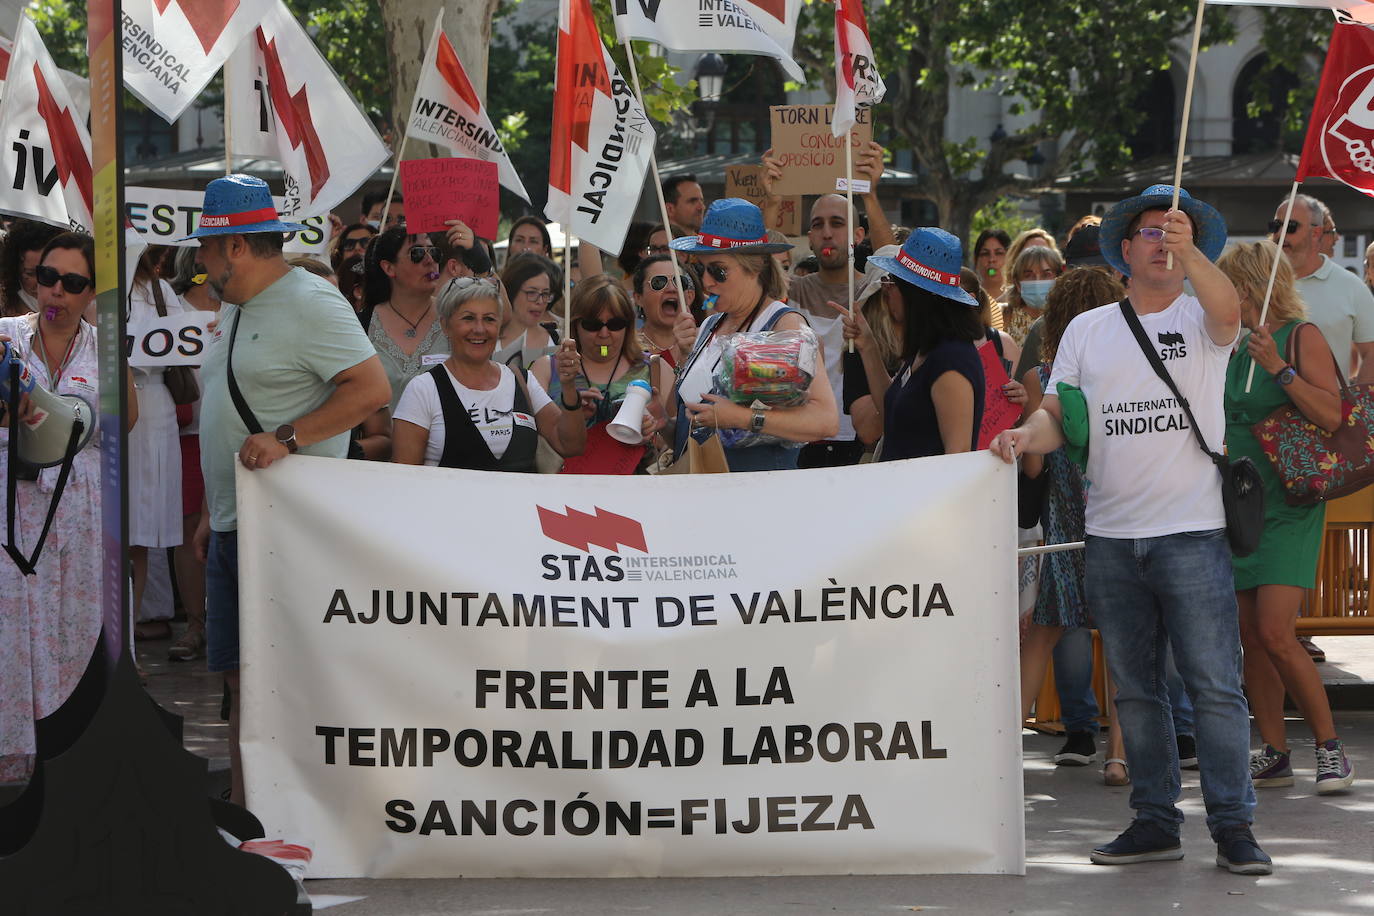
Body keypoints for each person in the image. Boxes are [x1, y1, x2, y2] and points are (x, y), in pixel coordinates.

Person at [990, 184, 1271, 875]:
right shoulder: (1088, 331)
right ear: (1124, 251)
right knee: (1136, 692)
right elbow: (1060, 413)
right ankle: (1155, 820)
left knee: (1212, 687)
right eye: (1148, 232)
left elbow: (1232, 309)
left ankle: (1235, 828)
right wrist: (1025, 435)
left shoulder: (1205, 317)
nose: (1160, 241)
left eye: (1172, 232)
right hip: (1111, 536)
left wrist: (1193, 249)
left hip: (1193, 533)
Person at [189, 175, 390, 807]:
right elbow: (224, 407)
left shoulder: (312, 302)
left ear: (237, 248)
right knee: (237, 678)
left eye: (205, 248)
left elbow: (371, 390)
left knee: (281, 678)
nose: (198, 260)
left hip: (285, 526)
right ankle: (251, 816)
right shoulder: (233, 305)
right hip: (231, 521)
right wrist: (206, 511)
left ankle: (300, 815)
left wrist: (288, 436)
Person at [1217, 240, 1355, 795]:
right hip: (1242, 500)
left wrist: (1280, 370)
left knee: (1276, 631)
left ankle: (1330, 749)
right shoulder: (1226, 347)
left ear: (1246, 288)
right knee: (1251, 634)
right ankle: (1273, 751)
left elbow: (1332, 414)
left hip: (1292, 500)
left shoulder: (1300, 336)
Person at [0, 232, 138, 782]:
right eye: (46, 277)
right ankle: (11, 761)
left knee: (76, 631)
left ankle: (71, 757)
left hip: (79, 516)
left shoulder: (104, 348)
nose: (55, 291)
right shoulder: (6, 336)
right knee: (11, 630)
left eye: (72, 283)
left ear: (93, 292)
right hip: (11, 514)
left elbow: (123, 422)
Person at [1014, 267, 1130, 786]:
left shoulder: (1044, 373)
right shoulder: (1123, 366)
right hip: (1116, 509)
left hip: (1062, 523)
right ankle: (1119, 757)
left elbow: (1036, 466)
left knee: (1042, 636)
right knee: (1127, 640)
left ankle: (1003, 749)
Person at [668, 199, 838, 471]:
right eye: (701, 269)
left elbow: (825, 421)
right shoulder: (709, 325)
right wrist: (659, 421)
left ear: (755, 267)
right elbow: (692, 421)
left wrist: (741, 417)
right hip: (700, 496)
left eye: (718, 270)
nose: (707, 281)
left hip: (757, 498)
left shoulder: (785, 326)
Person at [392, 277, 586, 468]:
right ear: (445, 325)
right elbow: (404, 480)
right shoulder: (423, 390)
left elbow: (570, 445)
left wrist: (568, 387)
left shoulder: (522, 381)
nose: (479, 329)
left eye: (489, 319)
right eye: (468, 318)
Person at [839, 228, 986, 459]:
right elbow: (893, 414)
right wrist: (867, 345)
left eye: (891, 282)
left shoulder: (951, 360)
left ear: (915, 294)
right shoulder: (928, 348)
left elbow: (957, 459)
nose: (886, 292)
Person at [532, 275, 665, 473]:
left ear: (628, 325)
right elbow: (534, 437)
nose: (604, 334)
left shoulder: (655, 368)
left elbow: (671, 443)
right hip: (563, 491)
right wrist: (572, 410)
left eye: (615, 324)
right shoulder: (545, 369)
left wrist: (652, 429)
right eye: (593, 325)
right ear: (575, 324)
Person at [127, 247, 185, 643]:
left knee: (142, 530)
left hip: (152, 408)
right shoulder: (87, 290)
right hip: (101, 403)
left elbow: (191, 345)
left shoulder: (160, 290)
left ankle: (128, 639)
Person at [166, 246, 219, 662]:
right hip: (186, 435)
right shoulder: (173, 308)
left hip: (234, 434)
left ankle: (227, 622)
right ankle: (195, 625)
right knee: (188, 533)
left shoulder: (245, 306)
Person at [1272, 194, 1374, 383]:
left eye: (1290, 227)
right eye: (1276, 226)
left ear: (1316, 233)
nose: (1279, 234)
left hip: (1327, 411)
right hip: (1258, 412)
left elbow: (1371, 353)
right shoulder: (1255, 282)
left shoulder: (1352, 287)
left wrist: (1354, 407)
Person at [360, 228, 445, 413]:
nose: (430, 260)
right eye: (417, 253)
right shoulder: (360, 326)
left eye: (434, 252)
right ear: (389, 267)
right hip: (382, 440)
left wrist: (479, 260)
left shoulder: (454, 317)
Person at [496, 254, 561, 370]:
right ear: (512, 292)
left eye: (545, 294)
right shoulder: (489, 339)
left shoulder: (560, 339)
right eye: (532, 293)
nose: (540, 301)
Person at [632, 253, 698, 367]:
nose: (672, 288)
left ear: (689, 296)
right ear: (638, 298)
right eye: (658, 282)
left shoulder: (704, 343)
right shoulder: (628, 346)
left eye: (678, 281)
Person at [1002, 245, 1065, 345]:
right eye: (1029, 275)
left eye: (1046, 274)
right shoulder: (1003, 317)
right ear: (1018, 283)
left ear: (1059, 278)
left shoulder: (1066, 319)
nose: (1037, 281)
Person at [1, 219, 62, 317]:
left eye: (48, 273)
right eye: (30, 273)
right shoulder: (4, 305)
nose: (39, 283)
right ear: (16, 268)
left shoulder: (82, 305)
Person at [972, 229, 1011, 302]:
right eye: (985, 254)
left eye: (999, 253)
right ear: (975, 260)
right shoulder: (968, 299)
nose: (991, 259)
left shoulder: (1018, 299)